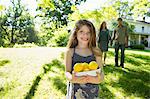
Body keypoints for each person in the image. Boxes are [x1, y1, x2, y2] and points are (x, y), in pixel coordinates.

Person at [65, 19, 104, 99]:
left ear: (92, 34)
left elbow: (102, 73)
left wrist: (97, 80)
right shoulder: (70, 51)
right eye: (81, 32)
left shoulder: (96, 51)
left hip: (92, 92)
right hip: (75, 92)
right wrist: (72, 78)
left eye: (88, 33)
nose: (85, 35)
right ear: (76, 33)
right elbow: (67, 72)